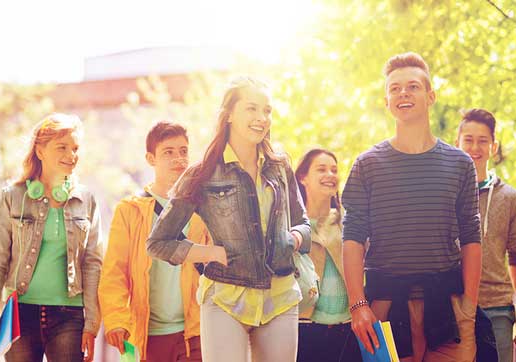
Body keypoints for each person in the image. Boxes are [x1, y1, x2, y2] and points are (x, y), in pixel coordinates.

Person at [146, 76, 311, 362]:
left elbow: (304, 224)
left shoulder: (279, 165)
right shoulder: (202, 173)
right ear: (230, 115)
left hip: (280, 296)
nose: (261, 118)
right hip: (225, 300)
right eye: (252, 109)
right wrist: (211, 253)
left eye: (267, 110)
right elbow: (158, 242)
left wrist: (293, 239)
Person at [342, 52, 482, 362]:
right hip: (384, 306)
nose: (403, 93)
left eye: (413, 86)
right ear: (386, 101)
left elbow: (473, 237)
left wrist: (469, 308)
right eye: (394, 88)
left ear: (431, 96)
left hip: (447, 307)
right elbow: (351, 237)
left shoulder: (460, 164)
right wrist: (358, 305)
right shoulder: (367, 165)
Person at [0, 113, 101, 362]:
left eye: (75, 148)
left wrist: (91, 322)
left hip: (70, 315)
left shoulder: (86, 200)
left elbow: (93, 263)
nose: (71, 156)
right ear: (40, 150)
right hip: (20, 315)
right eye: (62, 147)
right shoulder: (13, 197)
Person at [99, 121, 211, 361]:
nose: (178, 159)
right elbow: (114, 272)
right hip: (149, 335)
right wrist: (117, 319)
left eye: (183, 151)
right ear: (151, 158)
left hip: (197, 331)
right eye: (168, 152)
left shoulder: (204, 208)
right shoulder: (130, 211)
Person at [456, 108, 516, 362]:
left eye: (482, 141)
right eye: (468, 140)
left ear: (493, 146)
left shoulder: (509, 198)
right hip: (453, 305)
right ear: (457, 143)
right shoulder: (445, 193)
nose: (475, 147)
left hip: (498, 308)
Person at [294, 149, 361, 362]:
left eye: (334, 170)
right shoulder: (292, 226)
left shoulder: (348, 223)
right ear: (303, 178)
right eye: (321, 169)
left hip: (348, 330)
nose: (330, 175)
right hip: (305, 330)